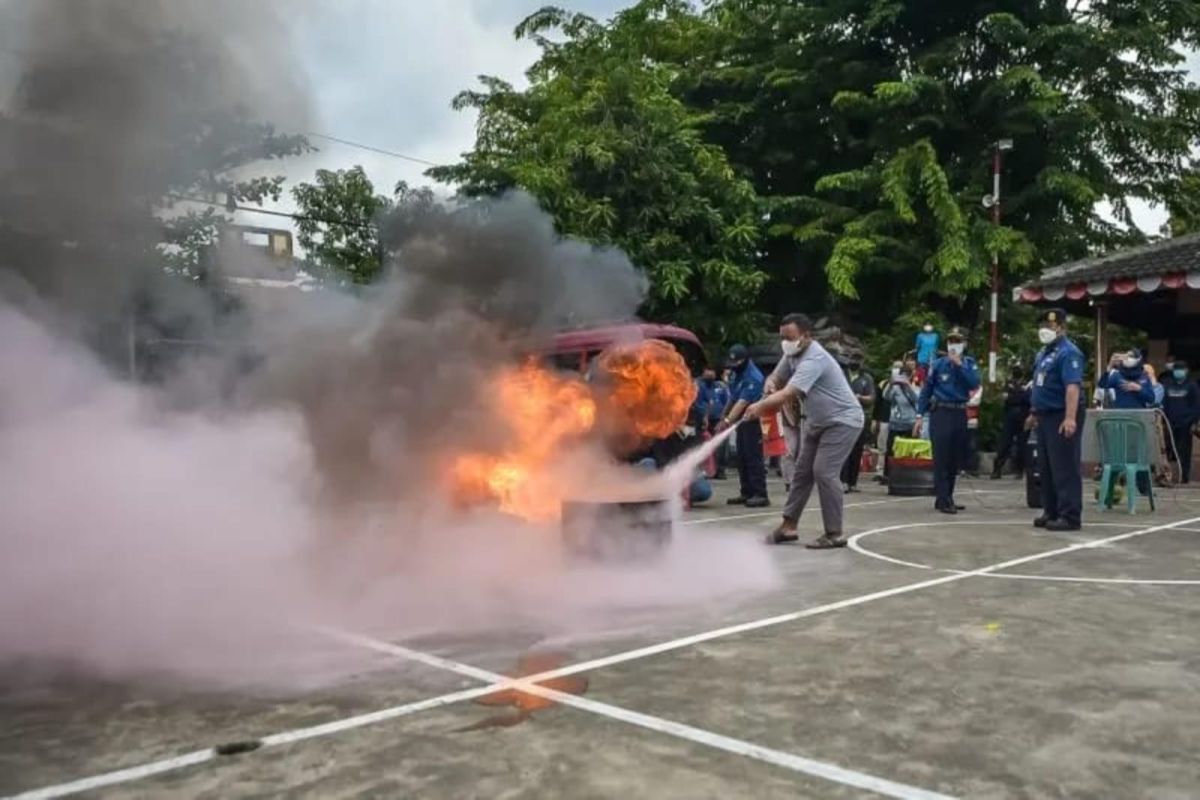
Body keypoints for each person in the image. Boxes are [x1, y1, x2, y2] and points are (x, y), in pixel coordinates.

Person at [744, 313, 864, 549]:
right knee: (801, 473)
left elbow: (789, 393)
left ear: (806, 336)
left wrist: (759, 407)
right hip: (816, 422)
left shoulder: (814, 358)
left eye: (789, 337)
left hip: (843, 421)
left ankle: (834, 532)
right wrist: (770, 382)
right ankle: (788, 526)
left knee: (824, 472)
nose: (785, 342)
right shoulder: (791, 354)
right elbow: (777, 377)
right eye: (782, 337)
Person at [1029, 308, 1086, 532]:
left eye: (1050, 326)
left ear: (1061, 327)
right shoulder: (1044, 353)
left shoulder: (1069, 352)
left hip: (1061, 414)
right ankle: (1050, 510)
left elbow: (1072, 387)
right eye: (1043, 325)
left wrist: (1070, 417)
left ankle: (1069, 515)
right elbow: (1040, 385)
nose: (1045, 330)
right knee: (1046, 466)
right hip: (1044, 415)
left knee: (1064, 466)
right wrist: (1033, 412)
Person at [914, 327, 980, 515]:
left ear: (964, 344)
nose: (953, 345)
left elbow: (974, 383)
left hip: (959, 412)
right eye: (951, 341)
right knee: (941, 457)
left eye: (957, 341)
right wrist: (919, 415)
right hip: (941, 412)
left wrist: (959, 365)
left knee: (954, 459)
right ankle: (943, 499)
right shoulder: (938, 364)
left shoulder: (969, 363)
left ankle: (947, 496)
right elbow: (926, 391)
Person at [719, 344, 769, 508]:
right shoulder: (736, 373)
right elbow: (733, 397)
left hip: (753, 420)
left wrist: (727, 422)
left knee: (753, 456)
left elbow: (743, 402)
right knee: (742, 456)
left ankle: (760, 494)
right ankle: (746, 492)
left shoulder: (753, 376)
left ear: (745, 360)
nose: (733, 367)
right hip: (740, 420)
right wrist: (723, 416)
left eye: (736, 363)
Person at [840, 357, 876, 493]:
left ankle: (852, 482)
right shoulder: (841, 375)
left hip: (861, 417)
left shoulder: (867, 378)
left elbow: (872, 398)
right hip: (843, 417)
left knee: (857, 450)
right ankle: (842, 481)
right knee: (844, 451)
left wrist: (860, 397)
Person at [1162, 361, 1200, 483]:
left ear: (1186, 371)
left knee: (1184, 451)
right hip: (1171, 423)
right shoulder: (1168, 385)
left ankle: (1184, 476)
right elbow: (1165, 403)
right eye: (1176, 369)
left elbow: (1196, 406)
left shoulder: (1192, 386)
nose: (1178, 372)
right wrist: (1165, 420)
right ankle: (1172, 475)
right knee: (1172, 451)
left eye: (1181, 369)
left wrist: (1193, 421)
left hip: (1186, 424)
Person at [992, 366, 1031, 478]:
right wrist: (1017, 396)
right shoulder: (1008, 384)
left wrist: (1014, 396)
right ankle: (997, 469)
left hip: (1023, 415)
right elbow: (1005, 398)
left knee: (1022, 445)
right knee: (1004, 443)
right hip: (1010, 416)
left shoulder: (1027, 384)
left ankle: (1019, 471)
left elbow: (1027, 398)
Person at [691, 367, 730, 478]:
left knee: (721, 445)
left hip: (719, 419)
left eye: (712, 370)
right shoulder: (698, 385)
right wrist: (704, 416)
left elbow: (727, 402)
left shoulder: (720, 386)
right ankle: (705, 469)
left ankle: (720, 469)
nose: (710, 373)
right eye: (708, 370)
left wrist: (725, 418)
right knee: (703, 445)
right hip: (703, 420)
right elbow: (699, 403)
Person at [882, 364, 919, 480]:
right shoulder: (895, 388)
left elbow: (916, 399)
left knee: (908, 450)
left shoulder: (914, 387)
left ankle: (907, 474)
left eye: (906, 376)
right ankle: (888, 474)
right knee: (891, 449)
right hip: (895, 422)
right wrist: (890, 384)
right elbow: (886, 397)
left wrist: (908, 385)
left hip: (910, 423)